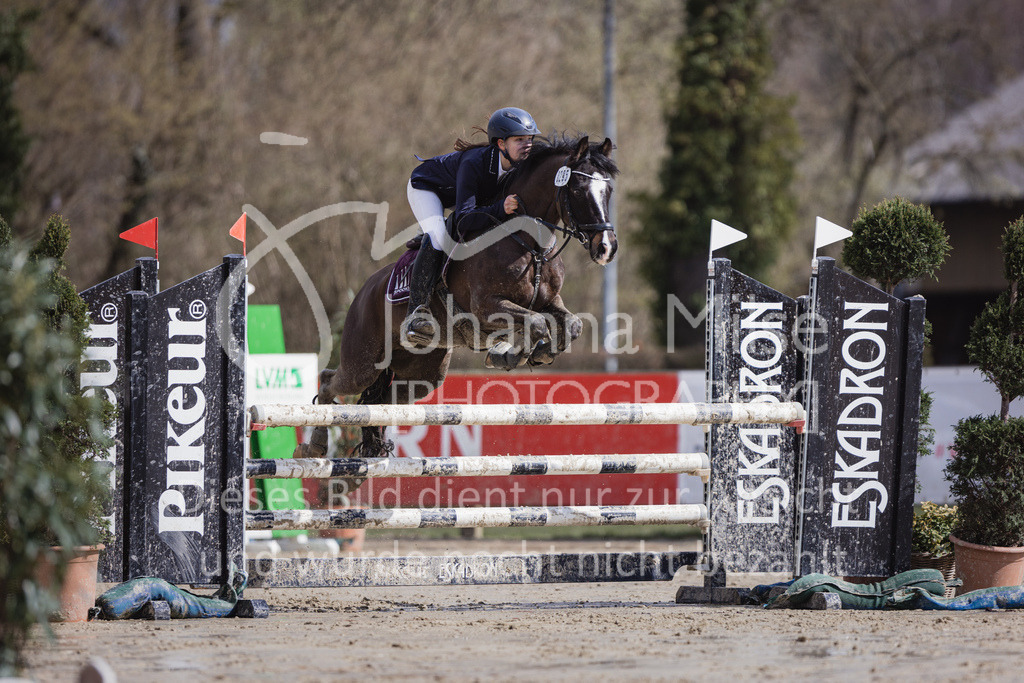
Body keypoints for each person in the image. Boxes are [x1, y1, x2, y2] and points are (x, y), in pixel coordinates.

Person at [401, 106, 541, 347]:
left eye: (530, 139)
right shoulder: (474, 163)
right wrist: (499, 209)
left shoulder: (518, 167)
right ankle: (415, 314)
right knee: (436, 237)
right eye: (520, 140)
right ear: (500, 144)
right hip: (427, 189)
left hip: (460, 196)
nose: (527, 145)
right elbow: (465, 218)